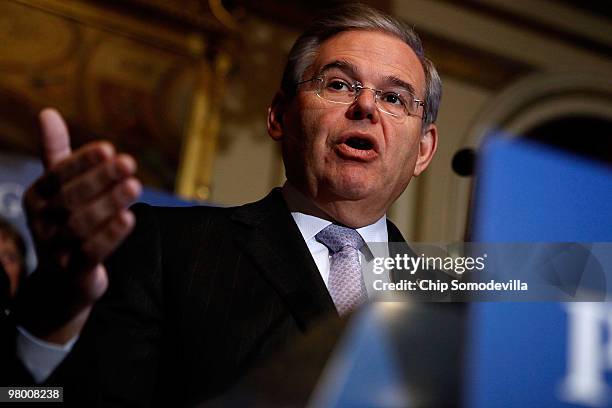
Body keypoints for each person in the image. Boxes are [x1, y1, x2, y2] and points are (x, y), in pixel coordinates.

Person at [7, 3, 442, 406]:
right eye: (338, 84)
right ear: (279, 115)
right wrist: (54, 313)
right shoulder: (161, 246)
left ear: (423, 150)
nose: (365, 105)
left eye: (394, 98)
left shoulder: (451, 307)